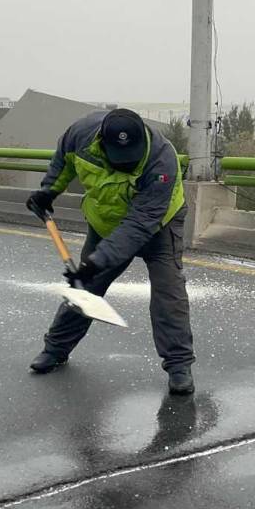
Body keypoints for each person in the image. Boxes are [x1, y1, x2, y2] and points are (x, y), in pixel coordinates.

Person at [26, 108, 196, 395]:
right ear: (102, 144)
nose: (127, 165)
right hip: (105, 221)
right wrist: (48, 191)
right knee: (85, 288)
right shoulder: (80, 135)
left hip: (158, 225)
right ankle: (55, 350)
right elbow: (63, 162)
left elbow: (139, 224)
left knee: (169, 292)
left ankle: (179, 366)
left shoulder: (161, 159)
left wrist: (97, 260)